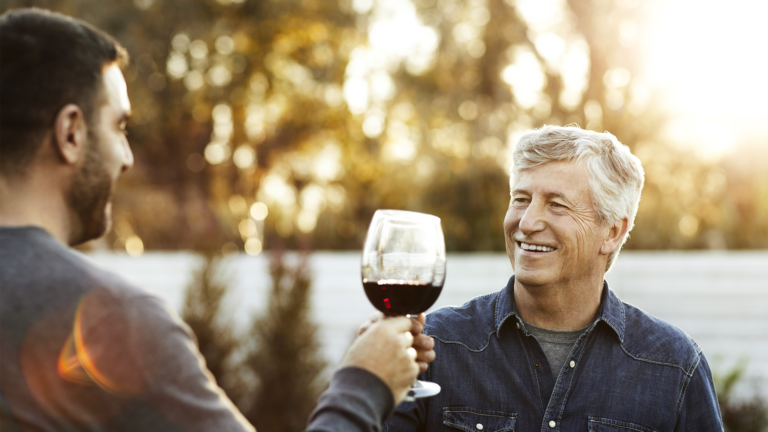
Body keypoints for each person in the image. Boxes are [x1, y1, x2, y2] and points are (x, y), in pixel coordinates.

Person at [0, 8, 434, 431]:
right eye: (120, 127)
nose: (127, 158)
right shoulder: (110, 322)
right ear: (71, 133)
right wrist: (366, 383)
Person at [386, 126, 723, 431]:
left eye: (557, 205)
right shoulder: (432, 348)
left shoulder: (675, 366)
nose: (528, 222)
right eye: (521, 199)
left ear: (612, 231)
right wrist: (365, 381)